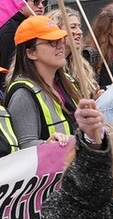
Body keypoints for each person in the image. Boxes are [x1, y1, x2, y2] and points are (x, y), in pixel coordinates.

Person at [7, 14, 77, 146]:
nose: (60, 45)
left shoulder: (68, 82)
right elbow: (25, 145)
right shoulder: (23, 94)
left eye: (61, 39)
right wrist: (47, 144)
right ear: (31, 53)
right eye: (51, 42)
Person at [0, 0, 49, 72]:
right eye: (36, 2)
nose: (41, 6)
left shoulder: (37, 25)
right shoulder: (10, 30)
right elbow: (5, 67)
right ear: (20, 4)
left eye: (44, 2)